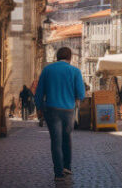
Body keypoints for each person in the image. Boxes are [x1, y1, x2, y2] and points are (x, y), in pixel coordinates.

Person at [35, 46, 85, 183]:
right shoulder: (75, 71)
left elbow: (39, 92)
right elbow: (81, 94)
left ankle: (58, 173)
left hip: (52, 109)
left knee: (56, 141)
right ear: (71, 57)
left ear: (57, 57)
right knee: (67, 137)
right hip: (68, 110)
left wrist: (39, 108)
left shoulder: (47, 70)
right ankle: (67, 166)